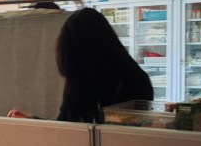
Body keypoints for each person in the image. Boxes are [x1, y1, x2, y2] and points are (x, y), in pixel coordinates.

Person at [8, 7, 153, 123]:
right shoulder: (80, 80)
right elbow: (65, 126)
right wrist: (31, 121)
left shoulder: (135, 83)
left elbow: (124, 139)